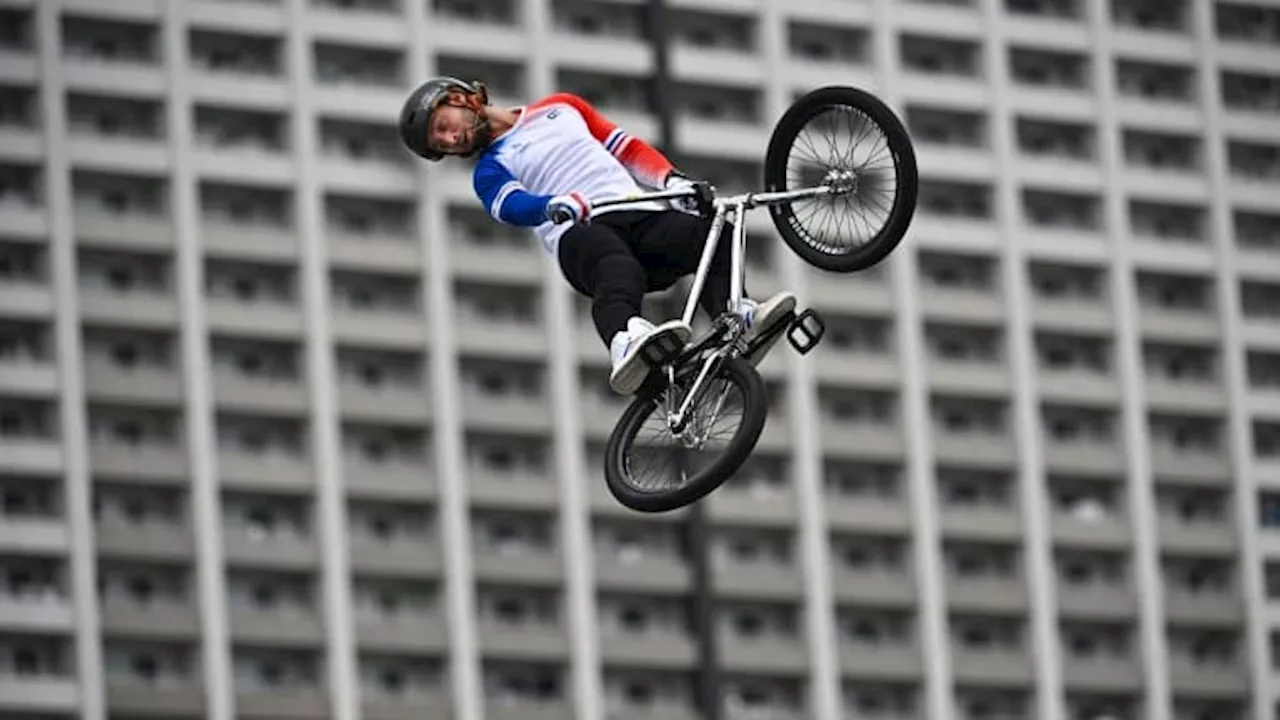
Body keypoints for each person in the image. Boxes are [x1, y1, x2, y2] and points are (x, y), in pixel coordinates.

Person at [398, 76, 796, 395]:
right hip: (579, 233)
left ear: (458, 97)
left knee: (715, 232)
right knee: (615, 265)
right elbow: (510, 205)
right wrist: (553, 205)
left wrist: (672, 181)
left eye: (443, 127)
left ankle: (734, 317)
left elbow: (626, 148)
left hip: (638, 216)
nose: (451, 141)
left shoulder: (561, 107)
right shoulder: (489, 170)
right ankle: (625, 341)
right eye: (441, 144)